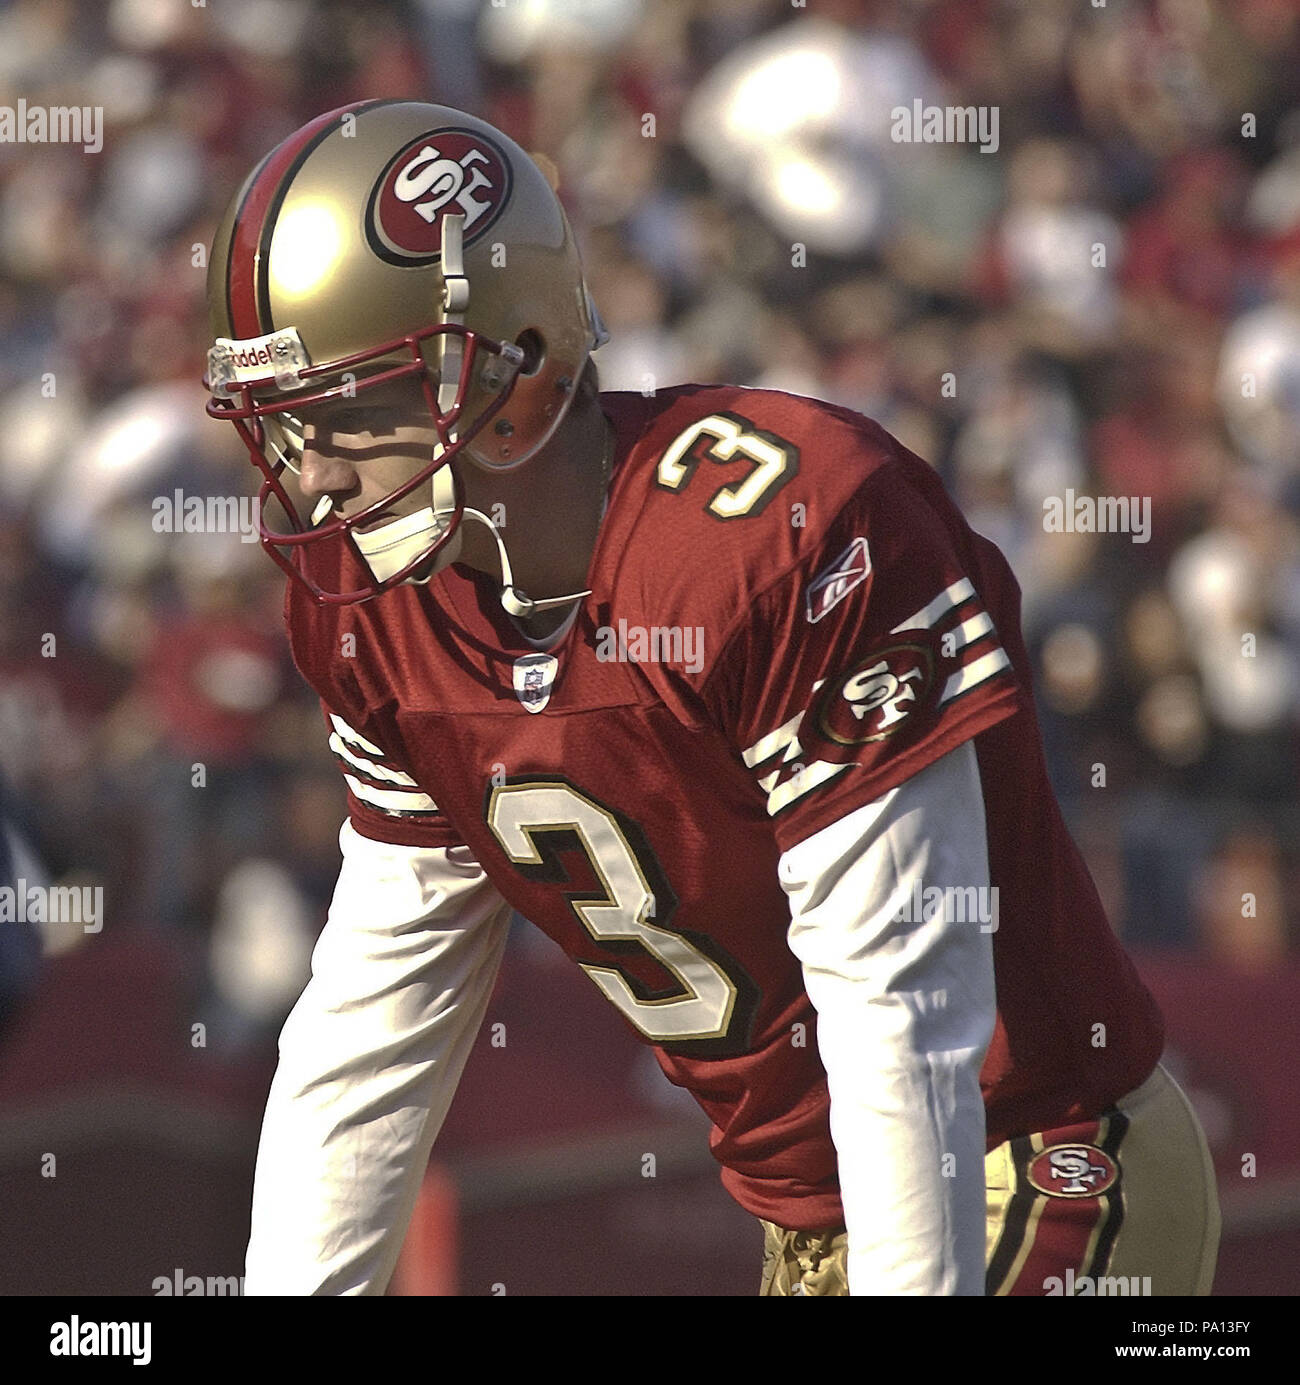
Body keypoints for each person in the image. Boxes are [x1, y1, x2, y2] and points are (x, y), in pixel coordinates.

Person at [204, 99, 1220, 1296]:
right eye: (283, 428)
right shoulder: (383, 612)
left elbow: (902, 1014)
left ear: (513, 363)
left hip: (1031, 1155)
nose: (311, 477)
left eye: (346, 407)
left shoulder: (775, 532)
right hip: (812, 1225)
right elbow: (372, 1026)